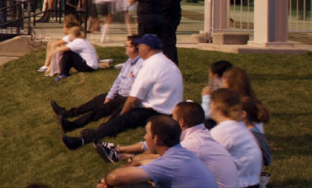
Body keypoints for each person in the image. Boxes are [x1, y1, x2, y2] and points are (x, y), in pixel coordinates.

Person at [64, 34, 182, 149]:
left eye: (140, 46)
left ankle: (83, 141)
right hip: (168, 108)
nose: (138, 48)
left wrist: (121, 116)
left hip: (157, 111)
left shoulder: (150, 66)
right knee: (120, 109)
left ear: (146, 49)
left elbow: (133, 98)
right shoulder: (167, 62)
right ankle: (102, 130)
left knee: (123, 115)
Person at [96, 102, 242, 188]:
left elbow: (116, 177)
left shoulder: (192, 145)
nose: (144, 137)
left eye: (173, 116)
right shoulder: (191, 144)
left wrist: (106, 181)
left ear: (182, 122)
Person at [54, 35, 142, 133]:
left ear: (134, 48)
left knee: (102, 109)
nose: (125, 47)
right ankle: (67, 113)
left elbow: (137, 90)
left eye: (127, 45)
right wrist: (109, 97)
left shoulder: (141, 65)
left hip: (127, 98)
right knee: (97, 100)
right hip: (119, 94)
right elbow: (118, 81)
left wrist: (112, 100)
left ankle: (73, 125)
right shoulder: (129, 61)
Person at [207, 90, 262, 188]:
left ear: (214, 107)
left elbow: (204, 158)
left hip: (238, 183)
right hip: (253, 182)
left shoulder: (222, 131)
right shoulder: (240, 127)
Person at [158, 0, 183, 64]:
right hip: (173, 13)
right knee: (168, 40)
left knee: (167, 42)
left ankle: (170, 63)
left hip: (168, 14)